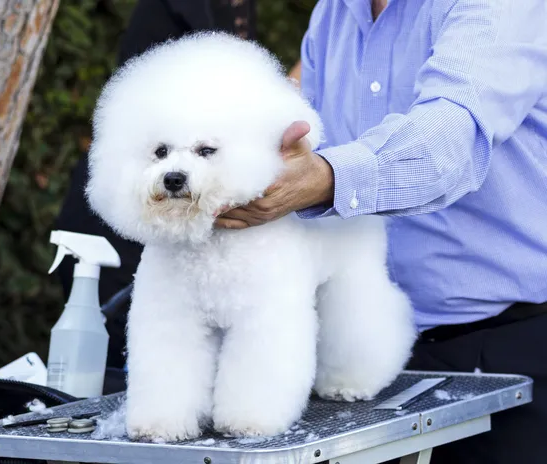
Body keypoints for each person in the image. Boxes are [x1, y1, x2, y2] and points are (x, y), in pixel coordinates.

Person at [215, 0, 547, 462]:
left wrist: (326, 178)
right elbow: (303, 140)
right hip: (359, 355)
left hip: (506, 356)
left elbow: (445, 141)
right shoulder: (332, 14)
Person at [54, 0, 258, 369]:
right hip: (135, 221)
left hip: (185, 216)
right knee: (132, 353)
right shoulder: (178, 14)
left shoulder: (239, 10)